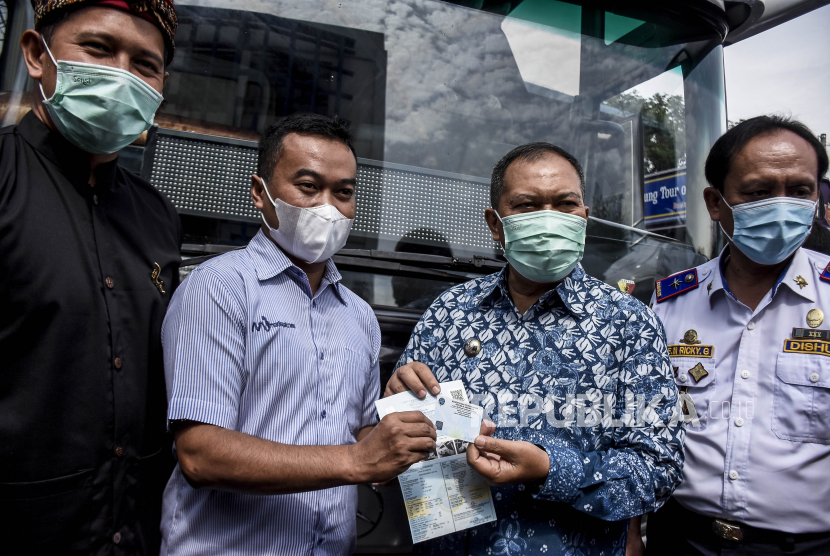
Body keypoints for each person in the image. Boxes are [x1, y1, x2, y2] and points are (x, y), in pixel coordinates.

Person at [386, 142, 685, 556]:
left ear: (583, 217)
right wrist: (398, 405)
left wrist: (549, 470)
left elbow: (658, 469)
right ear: (495, 224)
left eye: (565, 204)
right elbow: (397, 444)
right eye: (527, 206)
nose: (549, 220)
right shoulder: (448, 312)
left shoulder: (629, 324)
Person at [160, 113, 437, 555]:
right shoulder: (219, 289)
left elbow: (363, 440)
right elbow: (200, 454)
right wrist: (355, 461)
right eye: (308, 186)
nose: (327, 206)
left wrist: (412, 434)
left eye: (343, 192)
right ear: (259, 192)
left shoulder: (359, 315)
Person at [0, 1, 179, 554]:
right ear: (36, 54)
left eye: (144, 64)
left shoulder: (157, 217)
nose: (122, 75)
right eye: (99, 50)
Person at [645, 116, 830, 555]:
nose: (782, 206)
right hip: (680, 539)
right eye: (758, 192)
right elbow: (642, 428)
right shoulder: (669, 302)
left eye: (800, 190)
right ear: (715, 202)